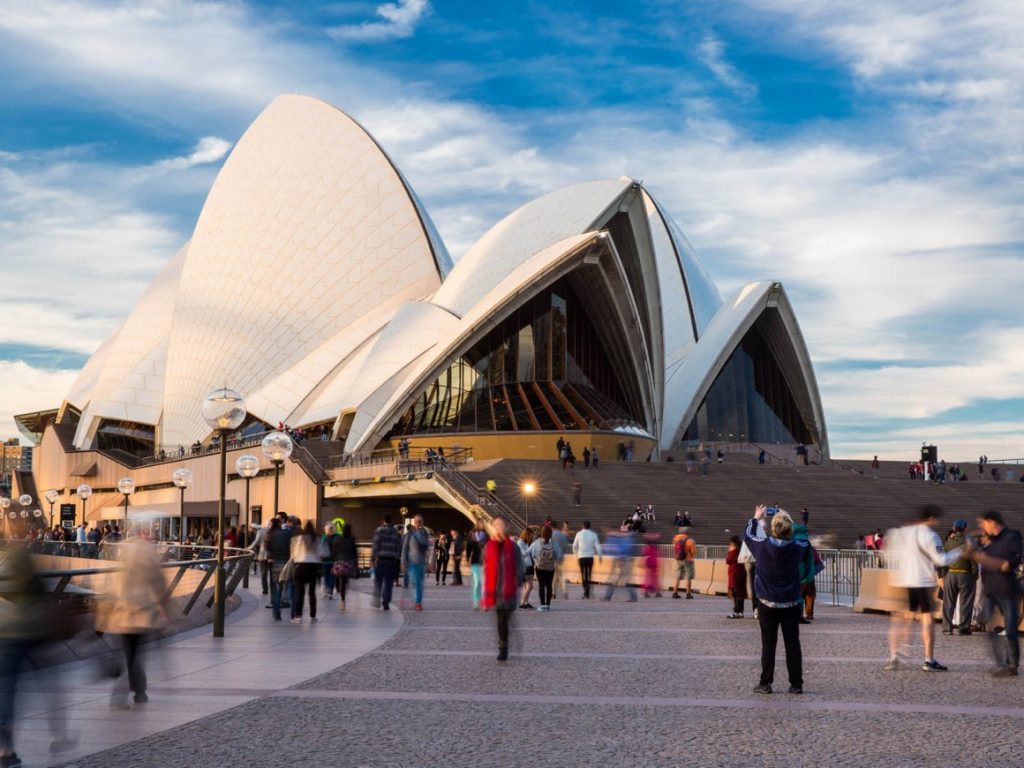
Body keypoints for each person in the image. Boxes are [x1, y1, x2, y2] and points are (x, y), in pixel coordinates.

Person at [884, 504, 964, 672]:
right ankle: (929, 659)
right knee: (926, 619)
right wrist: (961, 552)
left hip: (902, 580)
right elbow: (941, 560)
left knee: (901, 618)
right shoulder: (930, 535)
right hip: (922, 581)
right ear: (931, 518)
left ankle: (894, 655)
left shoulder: (900, 532)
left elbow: (888, 553)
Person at [98, 530, 168, 707]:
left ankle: (132, 691)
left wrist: (100, 621)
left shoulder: (122, 552)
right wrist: (168, 611)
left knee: (127, 653)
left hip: (119, 613)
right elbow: (158, 583)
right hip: (140, 612)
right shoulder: (146, 552)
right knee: (135, 654)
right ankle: (137, 691)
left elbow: (109, 588)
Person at [745, 506, 808, 694]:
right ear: (789, 529)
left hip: (767, 603)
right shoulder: (798, 548)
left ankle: (765, 683)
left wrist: (756, 518)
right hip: (790, 603)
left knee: (768, 644)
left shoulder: (762, 546)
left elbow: (748, 534)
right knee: (792, 643)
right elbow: (805, 539)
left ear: (772, 529)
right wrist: (788, 518)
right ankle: (796, 684)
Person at [968, 510, 1022, 676]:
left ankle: (1012, 665)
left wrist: (1008, 563)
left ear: (992, 522)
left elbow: (1016, 556)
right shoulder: (990, 541)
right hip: (991, 589)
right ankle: (1001, 664)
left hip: (1007, 589)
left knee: (1011, 629)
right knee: (989, 628)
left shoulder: (1012, 536)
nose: (981, 527)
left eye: (983, 523)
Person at [482, 516, 524, 661]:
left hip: (509, 589)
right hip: (496, 591)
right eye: (495, 525)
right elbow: (486, 567)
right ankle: (503, 648)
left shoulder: (513, 547)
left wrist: (515, 581)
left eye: (500, 525)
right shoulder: (489, 546)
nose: (497, 528)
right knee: (501, 619)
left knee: (505, 618)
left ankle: (505, 643)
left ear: (505, 528)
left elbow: (520, 566)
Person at [940, 520, 976, 635]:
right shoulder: (969, 543)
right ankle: (964, 628)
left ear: (954, 528)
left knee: (948, 602)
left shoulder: (948, 543)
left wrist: (942, 574)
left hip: (951, 574)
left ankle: (947, 628)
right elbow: (974, 561)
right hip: (966, 574)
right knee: (966, 603)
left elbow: (943, 560)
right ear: (965, 529)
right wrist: (975, 574)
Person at [290, 521, 322, 624]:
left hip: (301, 566)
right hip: (313, 567)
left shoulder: (300, 538)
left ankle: (298, 616)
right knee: (312, 593)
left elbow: (293, 554)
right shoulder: (316, 539)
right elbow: (323, 553)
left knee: (300, 592)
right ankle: (313, 615)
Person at [371, 514, 402, 611]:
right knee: (388, 583)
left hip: (381, 560)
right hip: (392, 560)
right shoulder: (396, 532)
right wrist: (397, 558)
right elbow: (398, 547)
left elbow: (375, 545)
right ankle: (386, 602)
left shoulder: (379, 531)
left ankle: (376, 600)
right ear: (391, 520)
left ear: (384, 520)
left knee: (378, 581)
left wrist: (374, 558)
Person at [265, 518, 292, 621]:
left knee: (275, 587)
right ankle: (281, 608)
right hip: (285, 561)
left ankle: (276, 611)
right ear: (280, 524)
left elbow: (267, 548)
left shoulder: (269, 534)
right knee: (282, 586)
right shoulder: (285, 534)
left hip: (274, 562)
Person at [402, 514, 429, 611]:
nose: (418, 523)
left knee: (420, 584)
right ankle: (418, 602)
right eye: (417, 521)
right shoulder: (410, 534)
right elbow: (404, 548)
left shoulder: (424, 533)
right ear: (414, 522)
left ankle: (418, 600)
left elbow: (427, 547)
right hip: (412, 561)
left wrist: (428, 562)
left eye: (420, 521)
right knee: (416, 583)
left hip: (421, 562)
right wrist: (403, 561)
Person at [602, 528, 637, 602]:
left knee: (617, 579)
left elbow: (624, 549)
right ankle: (608, 596)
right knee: (619, 579)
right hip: (624, 560)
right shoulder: (628, 539)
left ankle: (608, 596)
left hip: (624, 561)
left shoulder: (627, 539)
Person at [329, 523, 358, 610]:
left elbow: (334, 551)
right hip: (348, 564)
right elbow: (355, 552)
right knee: (345, 582)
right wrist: (356, 563)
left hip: (340, 563)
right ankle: (343, 594)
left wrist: (335, 560)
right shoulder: (352, 539)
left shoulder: (338, 539)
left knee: (341, 580)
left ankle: (342, 600)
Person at [572, 520, 602, 599]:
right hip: (590, 557)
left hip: (581, 557)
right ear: (590, 526)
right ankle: (588, 589)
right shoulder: (593, 534)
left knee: (582, 574)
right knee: (589, 574)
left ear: (583, 526)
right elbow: (598, 546)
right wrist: (600, 556)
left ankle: (585, 589)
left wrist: (575, 554)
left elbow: (574, 546)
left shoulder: (579, 534)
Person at [529, 525, 557, 610]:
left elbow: (531, 553)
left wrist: (536, 560)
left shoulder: (537, 542)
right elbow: (557, 555)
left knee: (541, 585)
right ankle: (548, 604)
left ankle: (542, 605)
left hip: (540, 567)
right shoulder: (553, 543)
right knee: (549, 585)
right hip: (550, 567)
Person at [466, 520, 488, 609]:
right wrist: (467, 558)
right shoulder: (472, 535)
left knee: (484, 583)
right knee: (476, 583)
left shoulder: (486, 535)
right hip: (475, 561)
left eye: (483, 524)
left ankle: (484, 602)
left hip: (484, 561)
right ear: (476, 525)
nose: (481, 525)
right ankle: (476, 601)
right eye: (480, 524)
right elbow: (468, 547)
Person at [725, 535, 747, 618]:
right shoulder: (741, 551)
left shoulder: (734, 551)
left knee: (736, 594)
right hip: (741, 574)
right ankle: (741, 611)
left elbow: (728, 560)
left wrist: (730, 551)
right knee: (741, 594)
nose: (729, 546)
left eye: (730, 544)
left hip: (735, 575)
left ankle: (736, 611)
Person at [672, 527, 696, 599]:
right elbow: (693, 551)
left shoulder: (675, 539)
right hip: (688, 560)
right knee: (688, 576)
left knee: (678, 575)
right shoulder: (690, 541)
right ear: (687, 532)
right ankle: (688, 593)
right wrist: (692, 555)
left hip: (678, 559)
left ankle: (675, 592)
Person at [517, 528, 535, 609]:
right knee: (529, 586)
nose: (531, 537)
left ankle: (526, 602)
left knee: (528, 586)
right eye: (531, 535)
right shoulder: (520, 542)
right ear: (527, 535)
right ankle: (522, 603)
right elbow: (524, 554)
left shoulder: (526, 543)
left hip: (530, 565)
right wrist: (531, 546)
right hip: (525, 566)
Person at [552, 522, 570, 599]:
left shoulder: (552, 535)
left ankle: (553, 592)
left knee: (554, 576)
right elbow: (566, 546)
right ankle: (564, 591)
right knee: (561, 576)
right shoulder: (563, 536)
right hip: (562, 558)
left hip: (554, 558)